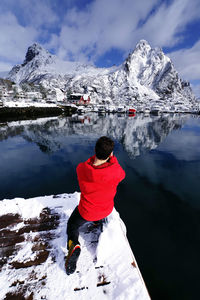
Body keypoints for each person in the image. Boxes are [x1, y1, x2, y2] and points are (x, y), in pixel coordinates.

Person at [65, 136, 125, 274]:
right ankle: (98, 222)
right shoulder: (116, 171)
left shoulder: (82, 169)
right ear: (111, 155)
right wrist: (113, 160)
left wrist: (93, 160)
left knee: (72, 225)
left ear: (94, 150)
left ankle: (74, 244)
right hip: (105, 210)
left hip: (86, 212)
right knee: (100, 206)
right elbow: (122, 174)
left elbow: (87, 165)